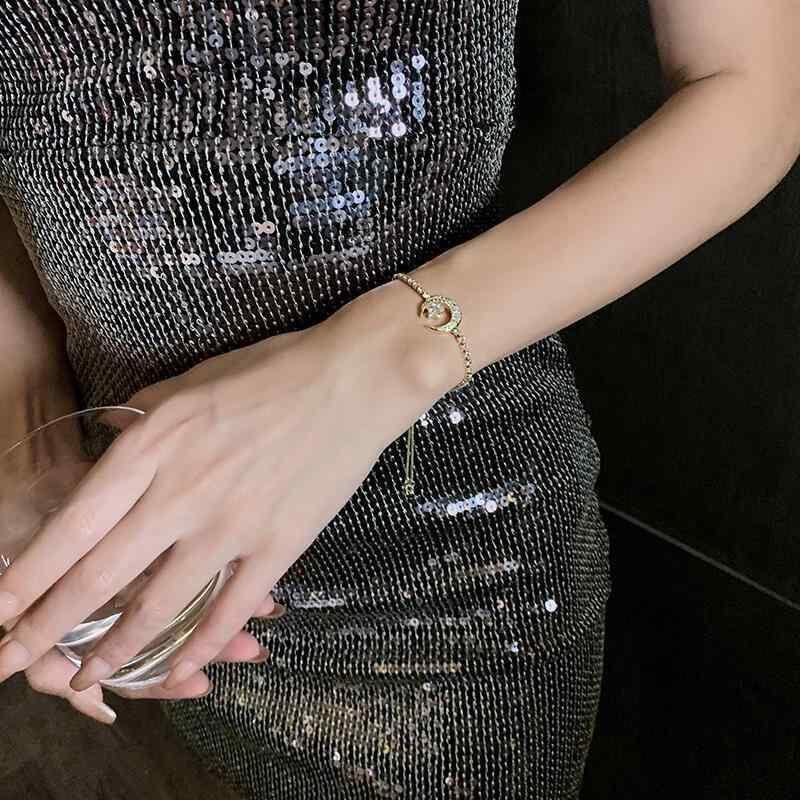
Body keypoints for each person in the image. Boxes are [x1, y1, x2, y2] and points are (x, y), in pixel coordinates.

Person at [0, 1, 798, 798]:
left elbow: (754, 90)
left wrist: (367, 368)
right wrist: (27, 417)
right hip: (147, 531)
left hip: (454, 563)